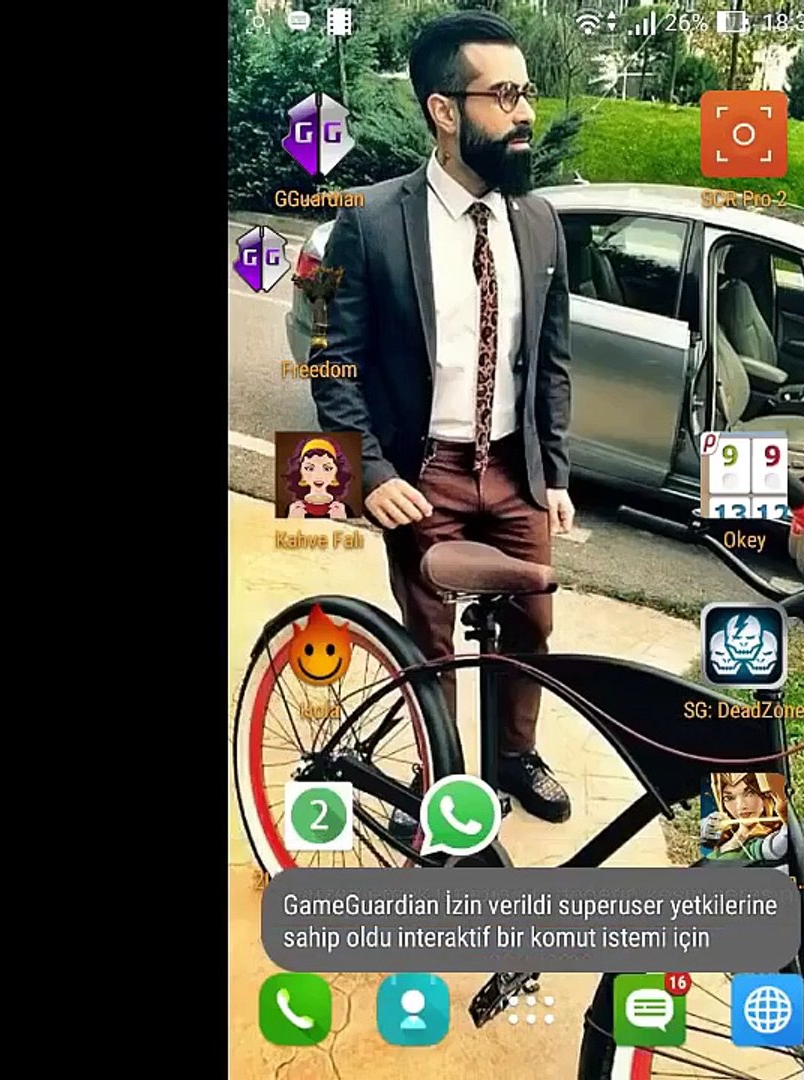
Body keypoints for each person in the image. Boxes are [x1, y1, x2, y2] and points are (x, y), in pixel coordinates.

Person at [308, 10, 575, 822]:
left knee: (531, 625)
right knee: (428, 644)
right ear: (444, 110)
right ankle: (437, 781)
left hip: (515, 472)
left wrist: (555, 472)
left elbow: (551, 360)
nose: (526, 112)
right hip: (423, 477)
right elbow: (332, 363)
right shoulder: (371, 221)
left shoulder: (540, 221)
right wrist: (369, 473)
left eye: (527, 92)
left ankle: (515, 757)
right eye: (505, 95)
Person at [699, 772, 790, 862]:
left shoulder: (764, 842)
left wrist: (786, 818)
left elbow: (776, 846)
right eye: (729, 798)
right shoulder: (721, 840)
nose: (741, 806)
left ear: (765, 795)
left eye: (750, 793)